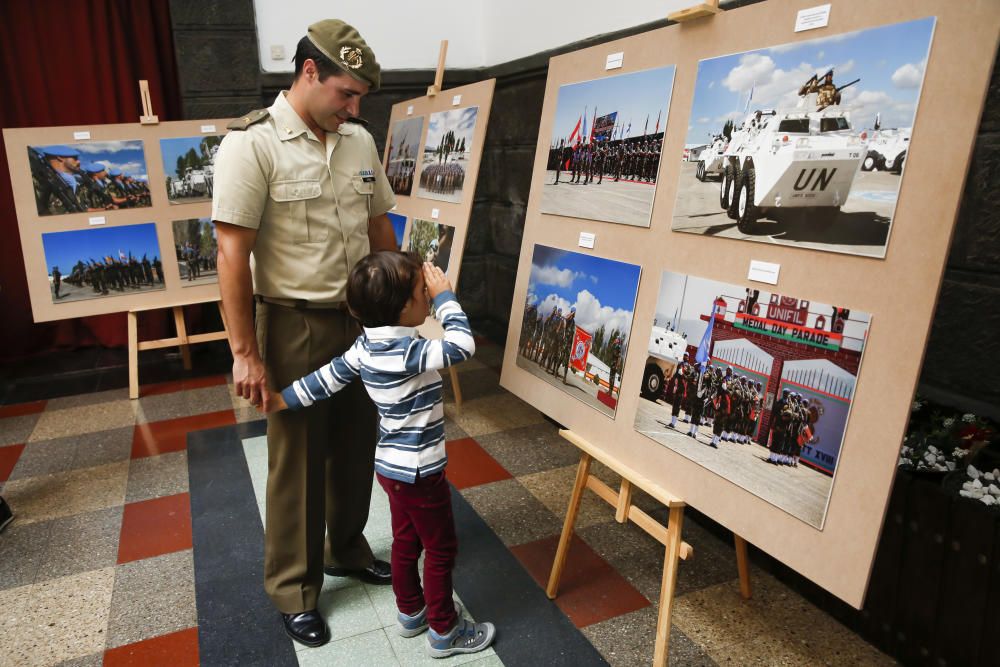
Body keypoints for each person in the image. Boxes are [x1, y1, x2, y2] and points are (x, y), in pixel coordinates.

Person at [212, 18, 398, 647]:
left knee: (355, 444)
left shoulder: (358, 142)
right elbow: (231, 254)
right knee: (295, 460)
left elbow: (380, 232)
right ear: (309, 72)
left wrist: (398, 312)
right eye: (345, 94)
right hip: (293, 324)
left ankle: (347, 548)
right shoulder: (252, 145)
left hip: (361, 322)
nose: (352, 108)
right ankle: (295, 587)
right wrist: (245, 354)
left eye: (360, 99)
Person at [267, 254, 496, 659]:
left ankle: (410, 612)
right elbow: (463, 345)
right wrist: (446, 299)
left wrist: (282, 399)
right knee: (441, 549)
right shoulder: (408, 353)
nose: (427, 294)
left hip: (390, 469)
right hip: (422, 472)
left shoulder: (364, 347)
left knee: (406, 540)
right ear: (405, 309)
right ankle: (444, 629)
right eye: (421, 293)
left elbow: (325, 379)